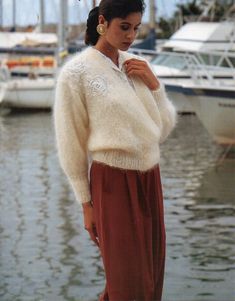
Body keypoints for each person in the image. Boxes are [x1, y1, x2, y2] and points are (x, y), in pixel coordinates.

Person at [54, 0, 176, 300]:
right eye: (124, 27)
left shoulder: (135, 65)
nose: (131, 36)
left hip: (150, 179)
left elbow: (163, 129)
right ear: (103, 22)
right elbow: (71, 142)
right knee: (128, 285)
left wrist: (154, 85)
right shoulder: (76, 73)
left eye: (136, 28)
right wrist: (86, 203)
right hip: (113, 184)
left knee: (150, 281)